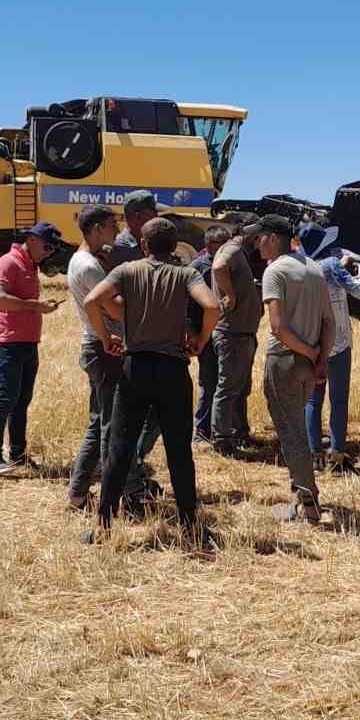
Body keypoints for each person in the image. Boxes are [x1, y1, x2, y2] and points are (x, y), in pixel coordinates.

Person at [81, 217, 219, 543]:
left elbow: (92, 301)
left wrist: (106, 337)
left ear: (143, 245)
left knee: (119, 449)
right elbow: (211, 305)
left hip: (135, 368)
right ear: (174, 247)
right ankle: (189, 525)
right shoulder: (187, 273)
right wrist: (200, 339)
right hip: (173, 370)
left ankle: (103, 526)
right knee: (179, 451)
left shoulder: (127, 271)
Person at [66, 204, 159, 514]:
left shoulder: (85, 261)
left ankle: (79, 494)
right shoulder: (90, 266)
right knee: (111, 426)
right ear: (95, 230)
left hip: (98, 346)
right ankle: (117, 493)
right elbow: (115, 309)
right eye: (110, 226)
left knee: (100, 422)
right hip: (105, 348)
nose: (116, 232)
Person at [252, 214, 334, 523]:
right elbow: (329, 322)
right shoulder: (314, 268)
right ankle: (300, 497)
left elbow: (278, 328)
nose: (257, 242)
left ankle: (309, 504)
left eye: (260, 237)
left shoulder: (275, 271)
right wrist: (320, 358)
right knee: (296, 427)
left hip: (285, 360)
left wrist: (309, 351)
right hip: (308, 366)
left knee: (292, 434)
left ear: (273, 238)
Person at [0, 222, 64, 476]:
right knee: (7, 399)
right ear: (31, 239)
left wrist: (41, 307)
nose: (49, 252)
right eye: (47, 246)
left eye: (53, 249)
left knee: (21, 402)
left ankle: (18, 454)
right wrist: (35, 306)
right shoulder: (8, 262)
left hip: (29, 343)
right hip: (8, 344)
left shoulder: (30, 264)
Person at [297, 225, 360, 469]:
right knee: (338, 400)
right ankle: (337, 454)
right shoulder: (331, 265)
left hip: (310, 343)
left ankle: (313, 454)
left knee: (312, 400)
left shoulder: (301, 266)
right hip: (338, 343)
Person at [211, 223, 262, 456]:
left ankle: (239, 433)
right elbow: (219, 267)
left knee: (240, 388)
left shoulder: (239, 252)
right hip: (231, 333)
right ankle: (222, 439)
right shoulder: (231, 250)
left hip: (242, 333)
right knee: (229, 387)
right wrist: (230, 294)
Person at [188, 224, 231, 444]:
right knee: (209, 382)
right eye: (220, 244)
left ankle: (223, 428)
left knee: (228, 383)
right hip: (206, 333)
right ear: (208, 245)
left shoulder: (232, 264)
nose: (226, 248)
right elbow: (188, 306)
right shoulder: (197, 267)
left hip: (228, 334)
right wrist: (194, 333)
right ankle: (202, 430)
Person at [107, 190, 158, 263]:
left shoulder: (150, 243)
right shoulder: (118, 249)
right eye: (154, 213)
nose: (157, 217)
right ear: (138, 217)